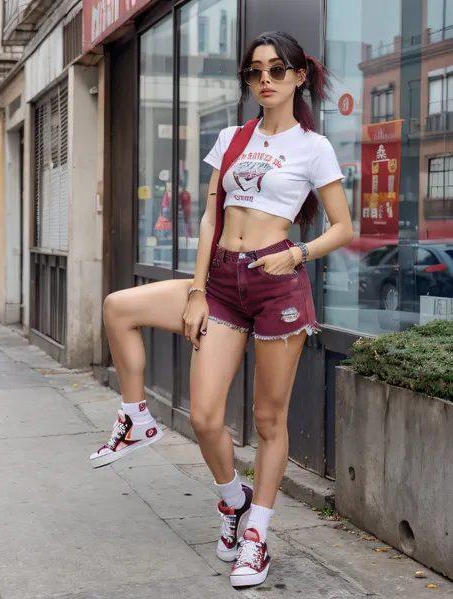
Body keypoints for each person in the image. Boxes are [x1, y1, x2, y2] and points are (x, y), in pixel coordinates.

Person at [90, 31, 353, 589]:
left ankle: (255, 534)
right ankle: (164, 441)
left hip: (277, 284)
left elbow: (343, 228)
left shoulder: (313, 146)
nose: (265, 80)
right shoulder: (232, 138)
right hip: (224, 283)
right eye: (256, 72)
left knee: (267, 420)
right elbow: (211, 217)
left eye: (278, 71)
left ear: (298, 77)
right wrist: (197, 289)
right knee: (200, 408)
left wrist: (297, 254)